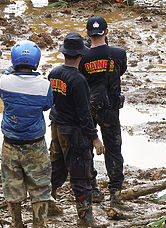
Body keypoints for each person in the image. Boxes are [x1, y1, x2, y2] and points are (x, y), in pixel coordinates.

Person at [0, 40, 53, 228]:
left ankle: (17, 223)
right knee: (40, 186)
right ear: (36, 61)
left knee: (12, 185)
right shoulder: (44, 86)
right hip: (35, 144)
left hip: (10, 143)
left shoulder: (4, 82)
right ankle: (39, 224)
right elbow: (46, 105)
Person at [49, 32, 105, 227]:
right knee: (81, 175)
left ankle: (49, 204)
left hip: (56, 128)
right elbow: (84, 114)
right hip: (73, 132)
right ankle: (85, 218)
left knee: (56, 167)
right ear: (81, 55)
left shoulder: (54, 73)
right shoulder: (79, 80)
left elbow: (51, 102)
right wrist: (95, 138)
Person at [79, 16, 128, 209]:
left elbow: (81, 80)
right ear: (106, 32)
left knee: (87, 148)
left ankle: (93, 189)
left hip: (89, 108)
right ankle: (115, 192)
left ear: (87, 33)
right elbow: (121, 71)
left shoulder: (82, 57)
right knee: (114, 150)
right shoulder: (118, 53)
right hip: (111, 108)